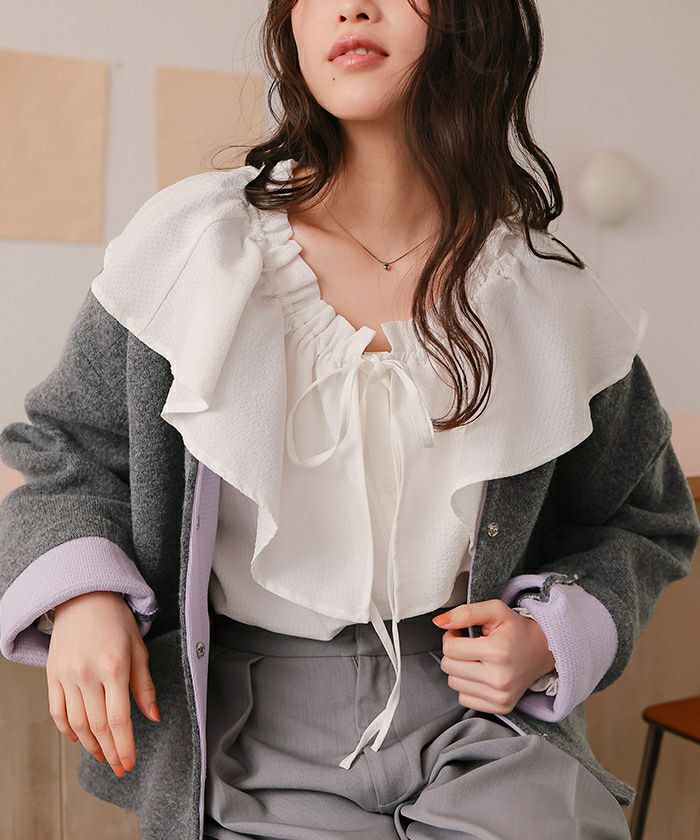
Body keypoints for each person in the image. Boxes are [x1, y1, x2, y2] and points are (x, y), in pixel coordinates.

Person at [1, 1, 699, 838]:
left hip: (484, 728)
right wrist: (82, 595)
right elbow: (65, 450)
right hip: (245, 734)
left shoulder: (547, 294)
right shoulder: (194, 249)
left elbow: (646, 516)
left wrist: (553, 634)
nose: (353, 6)